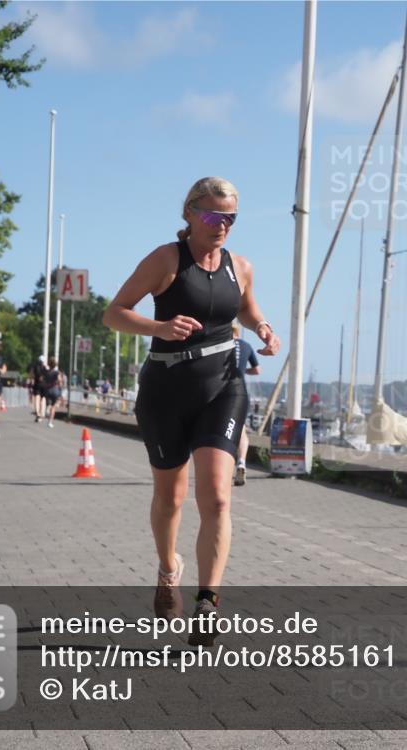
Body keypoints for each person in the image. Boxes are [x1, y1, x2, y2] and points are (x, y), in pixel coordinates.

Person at [102, 176, 279, 645]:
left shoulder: (239, 266)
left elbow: (245, 307)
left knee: (218, 496)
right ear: (190, 213)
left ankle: (208, 601)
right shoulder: (166, 260)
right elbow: (114, 312)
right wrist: (159, 326)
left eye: (230, 218)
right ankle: (167, 569)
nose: (221, 225)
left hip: (222, 385)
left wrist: (261, 326)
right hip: (165, 388)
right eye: (213, 215)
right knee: (171, 498)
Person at [231, 323, 260, 487]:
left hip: (220, 390)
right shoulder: (246, 346)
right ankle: (241, 462)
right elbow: (257, 370)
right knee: (240, 429)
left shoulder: (219, 345)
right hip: (240, 391)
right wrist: (244, 371)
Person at [41, 356, 63, 428]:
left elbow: (42, 379)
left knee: (49, 403)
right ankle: (50, 422)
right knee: (53, 407)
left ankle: (47, 408)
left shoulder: (46, 372)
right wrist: (60, 387)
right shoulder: (57, 372)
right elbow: (60, 381)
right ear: (55, 365)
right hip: (55, 389)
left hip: (48, 390)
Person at [30, 356, 47, 422]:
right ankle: (41, 412)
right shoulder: (45, 368)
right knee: (42, 400)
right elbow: (47, 376)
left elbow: (31, 375)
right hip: (44, 385)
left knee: (37, 399)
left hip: (37, 384)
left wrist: (31, 381)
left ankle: (37, 413)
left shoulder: (34, 367)